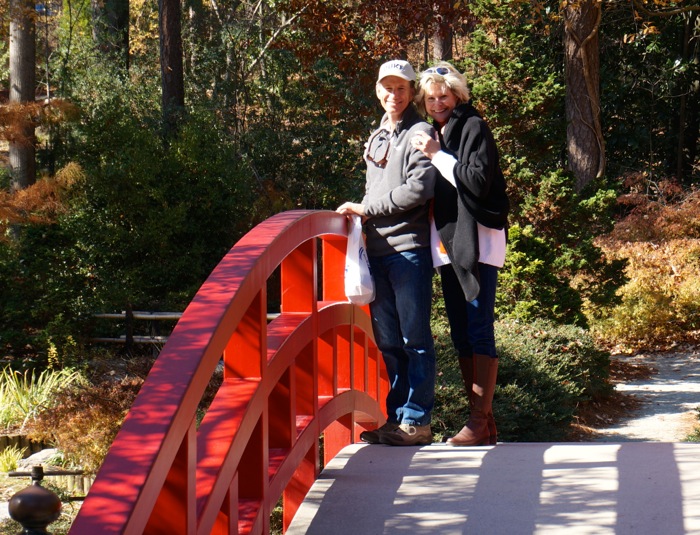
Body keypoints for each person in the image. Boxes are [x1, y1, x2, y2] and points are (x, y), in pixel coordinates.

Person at [337, 59, 438, 447]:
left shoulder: (420, 131)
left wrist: (365, 210)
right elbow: (372, 189)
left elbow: (418, 190)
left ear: (412, 92)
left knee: (414, 339)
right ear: (377, 90)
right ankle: (396, 419)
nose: (393, 95)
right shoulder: (380, 133)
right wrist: (358, 220)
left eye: (401, 88)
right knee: (389, 342)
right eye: (387, 88)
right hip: (375, 249)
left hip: (407, 250)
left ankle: (417, 421)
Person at [411, 62, 510, 446]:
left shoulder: (472, 126)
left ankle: (477, 420)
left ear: (457, 95)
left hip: (479, 240)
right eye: (431, 97)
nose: (437, 103)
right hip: (447, 241)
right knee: (460, 330)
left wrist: (437, 154)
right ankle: (484, 422)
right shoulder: (434, 131)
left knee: (478, 325)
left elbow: (477, 180)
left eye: (444, 96)